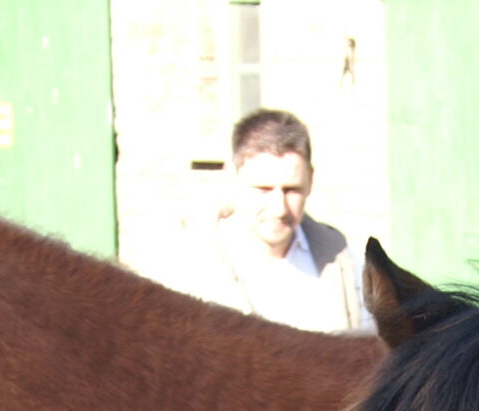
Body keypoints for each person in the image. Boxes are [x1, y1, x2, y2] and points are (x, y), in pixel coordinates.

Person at [155, 108, 372, 333]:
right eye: (264, 189)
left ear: (310, 180)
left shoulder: (345, 264)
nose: (279, 208)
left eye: (292, 190)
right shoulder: (187, 271)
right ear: (232, 177)